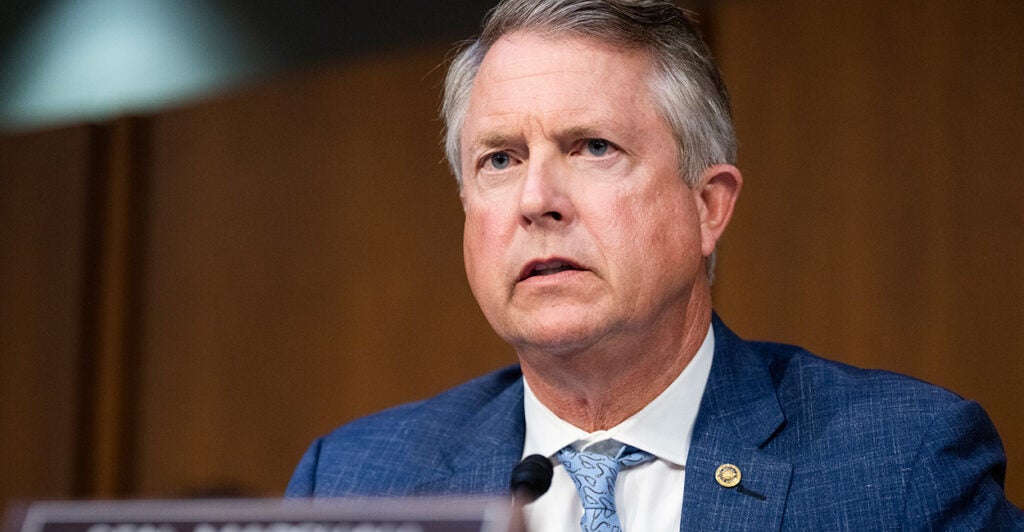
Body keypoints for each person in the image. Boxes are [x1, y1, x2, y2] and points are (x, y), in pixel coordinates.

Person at [287, 0, 1023, 529]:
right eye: (501, 160)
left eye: (593, 147)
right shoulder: (350, 485)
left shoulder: (902, 467)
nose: (537, 199)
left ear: (708, 207)